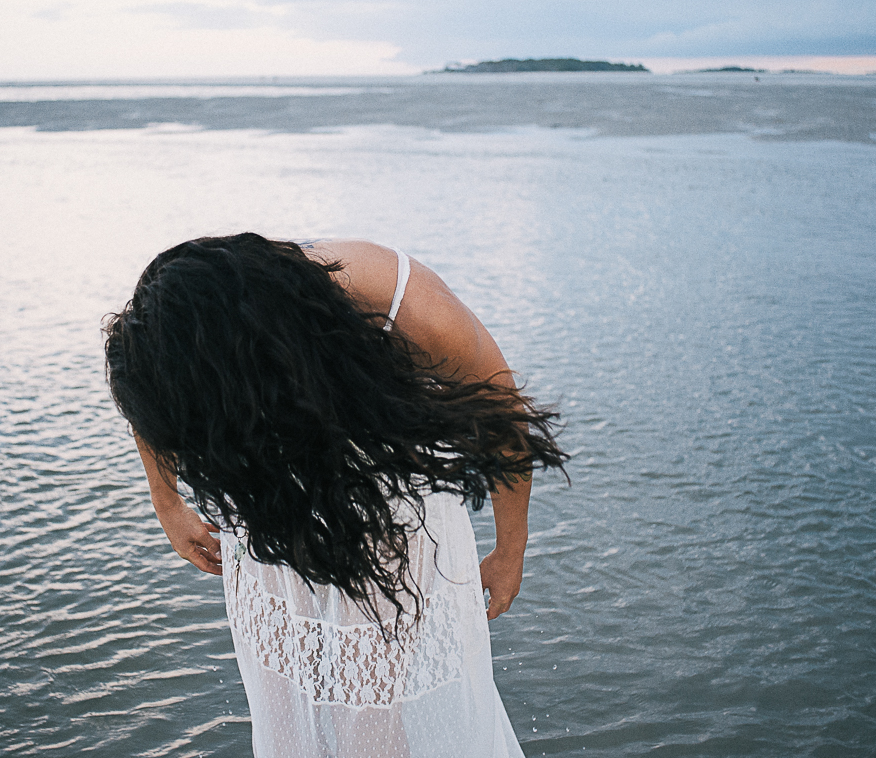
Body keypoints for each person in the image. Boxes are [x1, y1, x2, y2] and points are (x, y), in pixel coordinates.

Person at [104, 234, 567, 757]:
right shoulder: (197, 316)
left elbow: (506, 426)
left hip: (381, 500)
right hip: (266, 475)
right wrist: (166, 501)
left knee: (365, 714)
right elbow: (149, 388)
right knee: (282, 695)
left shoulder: (416, 315)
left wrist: (510, 551)